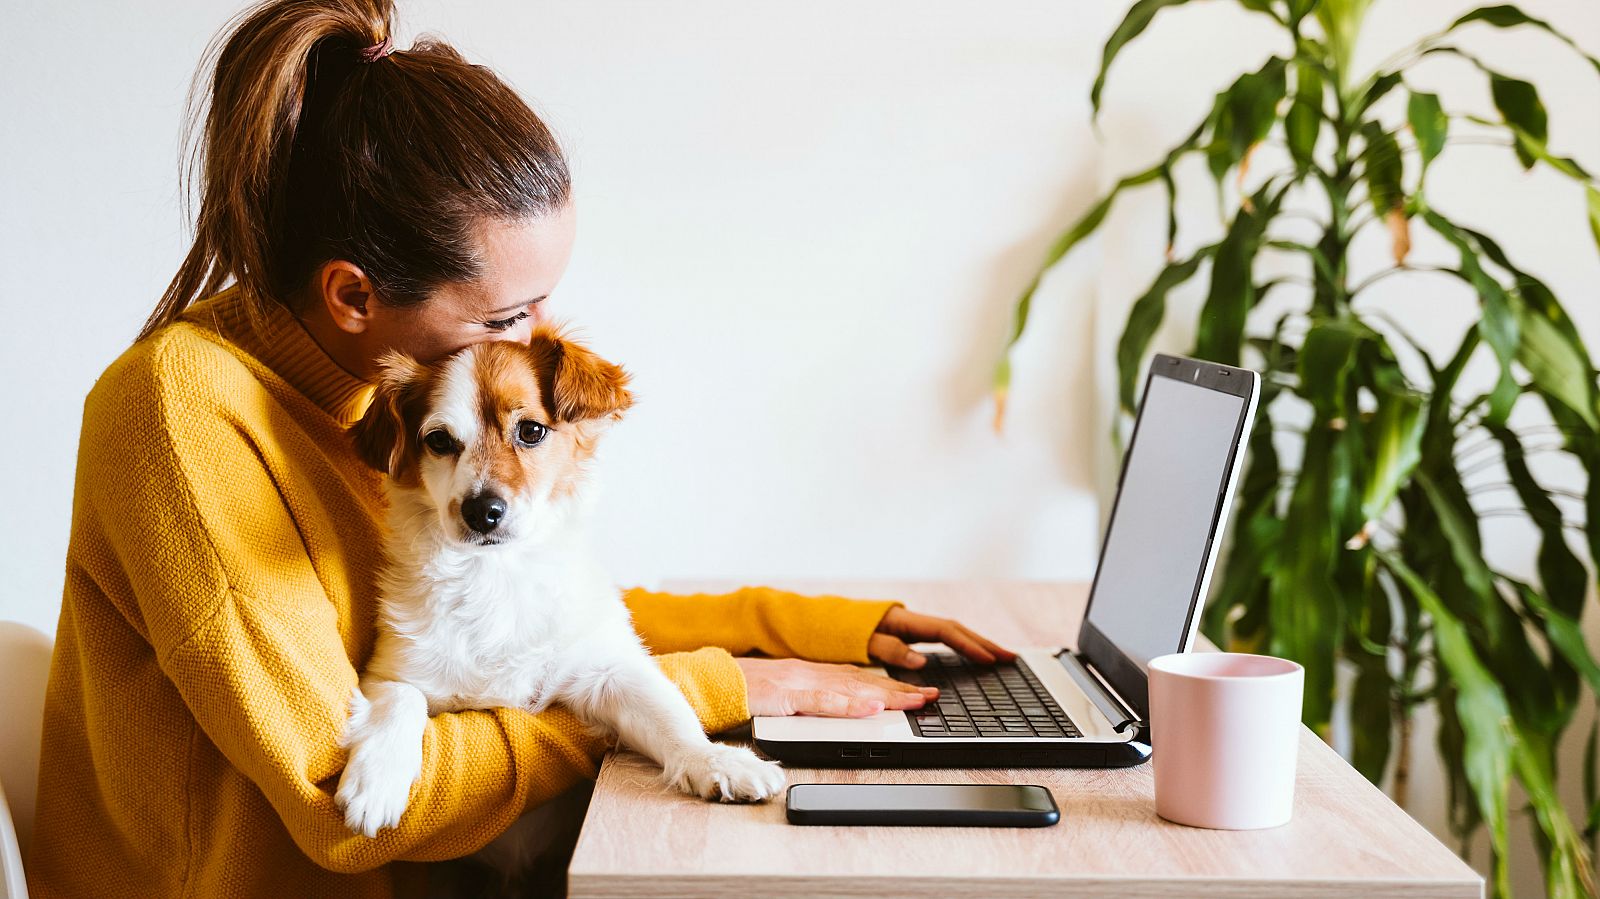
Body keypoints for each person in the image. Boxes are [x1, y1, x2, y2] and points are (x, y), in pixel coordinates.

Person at [25, 1, 1016, 897]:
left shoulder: (382, 395)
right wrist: (704, 691)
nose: (541, 341)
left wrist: (805, 627)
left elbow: (528, 616)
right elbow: (346, 804)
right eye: (509, 310)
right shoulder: (183, 415)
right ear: (353, 295)